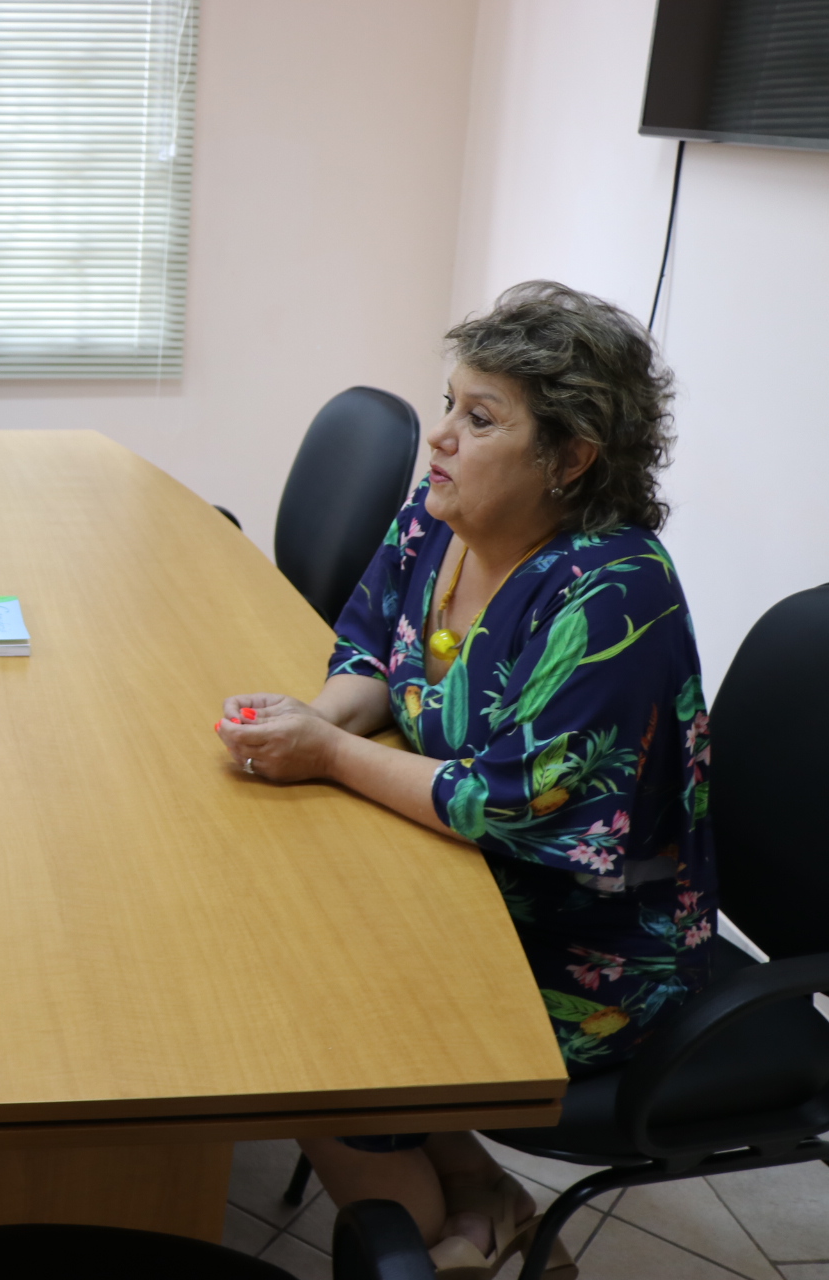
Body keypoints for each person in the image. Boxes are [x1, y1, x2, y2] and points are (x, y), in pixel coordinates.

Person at [213, 282, 711, 1278]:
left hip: (586, 943)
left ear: (571, 458)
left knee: (304, 1025)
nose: (439, 438)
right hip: (457, 874)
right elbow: (365, 649)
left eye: (479, 419)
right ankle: (481, 1194)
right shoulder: (435, 521)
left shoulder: (612, 595)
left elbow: (508, 805)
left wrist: (330, 754)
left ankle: (435, 1243)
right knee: (256, 930)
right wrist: (317, 718)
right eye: (448, 405)